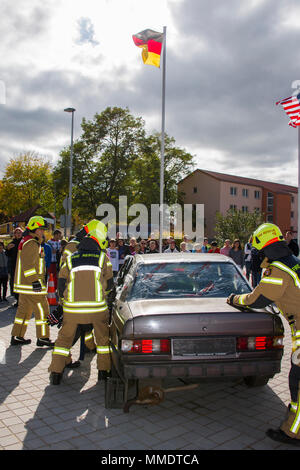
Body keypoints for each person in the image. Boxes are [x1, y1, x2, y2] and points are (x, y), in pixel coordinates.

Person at [227, 223, 300, 446]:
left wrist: (233, 299)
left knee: (297, 382)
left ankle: (293, 432)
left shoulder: (277, 269)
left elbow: (256, 299)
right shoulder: (292, 262)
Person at [48, 224, 114, 385]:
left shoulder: (70, 259)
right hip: (97, 310)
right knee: (103, 341)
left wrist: (65, 302)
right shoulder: (103, 258)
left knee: (63, 341)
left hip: (72, 310)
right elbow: (111, 285)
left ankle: (56, 374)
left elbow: (61, 284)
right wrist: (102, 296)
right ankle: (103, 373)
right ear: (98, 244)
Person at [10, 216, 54, 347]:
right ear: (34, 229)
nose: (43, 232)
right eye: (40, 229)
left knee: (23, 311)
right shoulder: (32, 243)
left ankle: (17, 336)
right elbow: (28, 265)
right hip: (33, 286)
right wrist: (35, 281)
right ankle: (43, 338)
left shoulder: (28, 241)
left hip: (25, 286)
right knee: (43, 309)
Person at [6, 227, 23, 306]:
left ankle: (23, 300)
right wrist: (8, 249)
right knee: (15, 283)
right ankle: (17, 300)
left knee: (23, 284)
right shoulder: (12, 243)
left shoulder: (24, 242)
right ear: (14, 234)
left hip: (23, 266)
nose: (18, 234)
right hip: (14, 266)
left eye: (20, 232)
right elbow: (7, 255)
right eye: (17, 232)